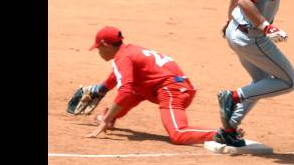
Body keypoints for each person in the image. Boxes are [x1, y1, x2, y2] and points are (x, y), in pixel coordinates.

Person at [214, 0, 294, 147]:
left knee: (262, 82)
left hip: (237, 30)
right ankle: (232, 97)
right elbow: (244, 0)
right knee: (289, 81)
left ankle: (229, 129)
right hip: (252, 37)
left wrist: (228, 20)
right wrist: (266, 26)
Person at [83, 25, 218, 145]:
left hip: (171, 91)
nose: (98, 52)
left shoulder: (123, 57)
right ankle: (111, 117)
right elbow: (116, 77)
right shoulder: (129, 51)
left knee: (178, 134)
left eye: (98, 48)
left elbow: (125, 91)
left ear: (106, 45)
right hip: (175, 86)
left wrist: (105, 119)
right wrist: (100, 91)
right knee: (136, 87)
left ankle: (223, 134)